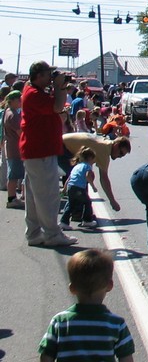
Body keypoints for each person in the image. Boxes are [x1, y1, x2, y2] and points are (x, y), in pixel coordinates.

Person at [38, 248, 135, 362]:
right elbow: (126, 359)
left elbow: (46, 356)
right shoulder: (116, 324)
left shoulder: (60, 322)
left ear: (72, 288)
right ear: (109, 285)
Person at [20, 61, 77, 247]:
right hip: (41, 150)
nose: (50, 78)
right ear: (39, 75)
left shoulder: (33, 91)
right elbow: (57, 107)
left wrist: (56, 86)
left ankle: (34, 233)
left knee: (35, 196)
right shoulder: (34, 94)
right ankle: (52, 234)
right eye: (48, 75)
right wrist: (60, 87)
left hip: (37, 150)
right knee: (48, 195)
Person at [62, 132, 131, 213]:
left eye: (122, 156)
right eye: (121, 153)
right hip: (62, 146)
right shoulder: (104, 149)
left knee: (80, 176)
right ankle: (76, 212)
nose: (120, 157)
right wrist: (113, 201)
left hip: (64, 144)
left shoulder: (106, 144)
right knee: (79, 180)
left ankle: (78, 211)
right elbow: (104, 179)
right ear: (116, 145)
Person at [60, 147, 98, 230]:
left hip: (71, 187)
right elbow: (88, 176)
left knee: (70, 204)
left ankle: (63, 222)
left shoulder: (77, 166)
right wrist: (93, 186)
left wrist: (64, 188)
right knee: (87, 202)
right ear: (90, 158)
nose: (93, 162)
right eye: (93, 160)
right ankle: (87, 220)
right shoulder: (87, 166)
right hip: (79, 188)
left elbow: (69, 178)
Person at [4, 90, 24, 209]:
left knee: (13, 174)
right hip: (15, 148)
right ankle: (11, 199)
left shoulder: (8, 112)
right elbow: (20, 133)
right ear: (12, 101)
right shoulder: (13, 115)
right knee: (13, 175)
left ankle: (12, 198)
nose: (20, 102)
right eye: (18, 100)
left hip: (11, 146)